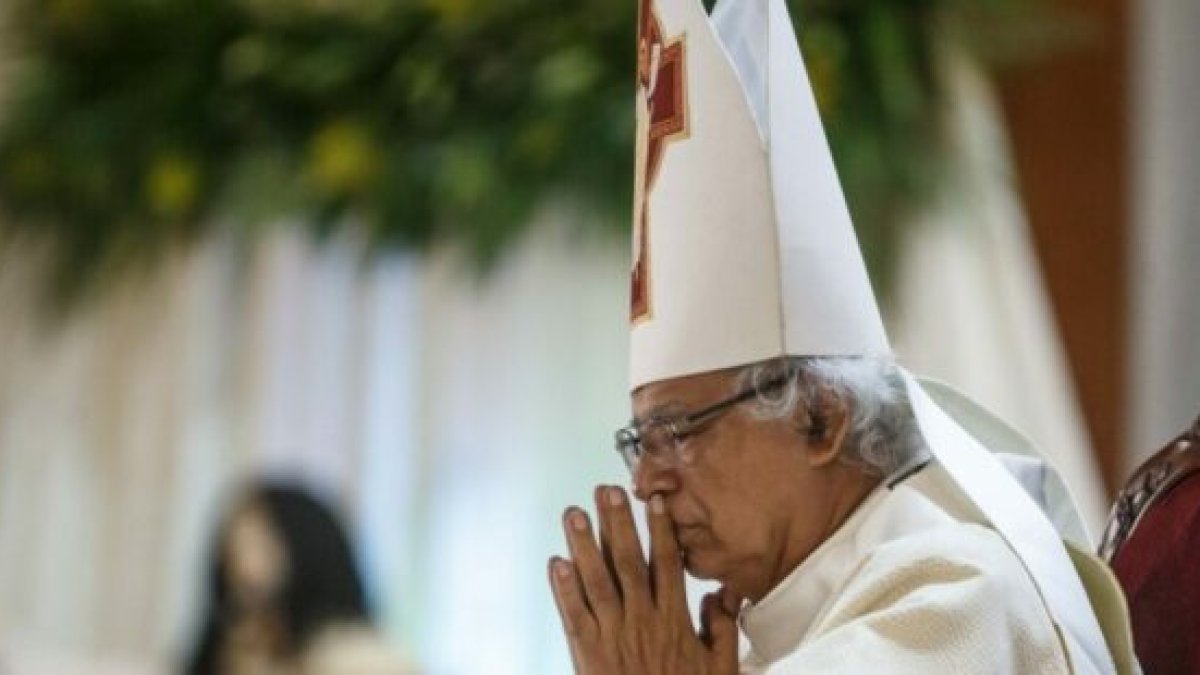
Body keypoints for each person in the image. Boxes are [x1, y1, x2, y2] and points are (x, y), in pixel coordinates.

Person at [546, 0, 1139, 672]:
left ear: (823, 416)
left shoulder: (958, 598)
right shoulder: (756, 638)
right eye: (639, 442)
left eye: (678, 432)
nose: (649, 480)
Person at [185, 480, 410, 675]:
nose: (245, 569)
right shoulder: (232, 652)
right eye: (232, 555)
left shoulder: (361, 660)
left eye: (262, 548)